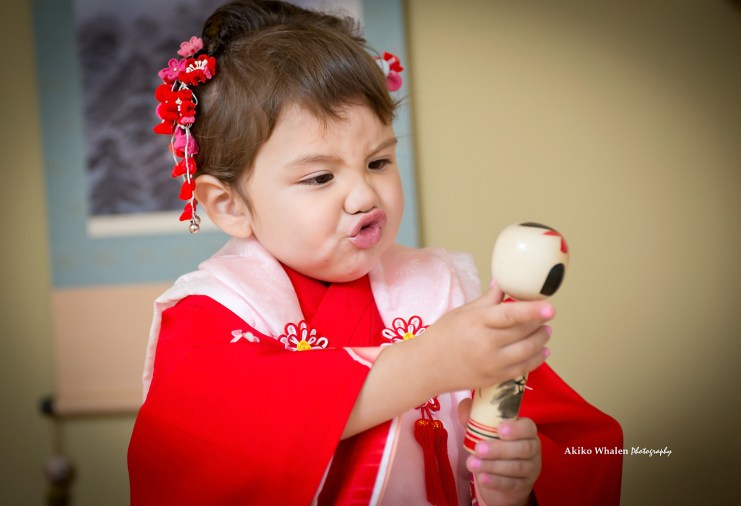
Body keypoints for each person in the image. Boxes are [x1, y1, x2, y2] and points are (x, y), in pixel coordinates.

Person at [127, 1, 623, 505]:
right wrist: (428, 363)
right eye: (320, 176)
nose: (365, 195)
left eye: (379, 160)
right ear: (229, 205)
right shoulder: (214, 308)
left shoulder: (442, 288)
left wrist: (521, 477)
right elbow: (211, 437)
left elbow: (576, 442)